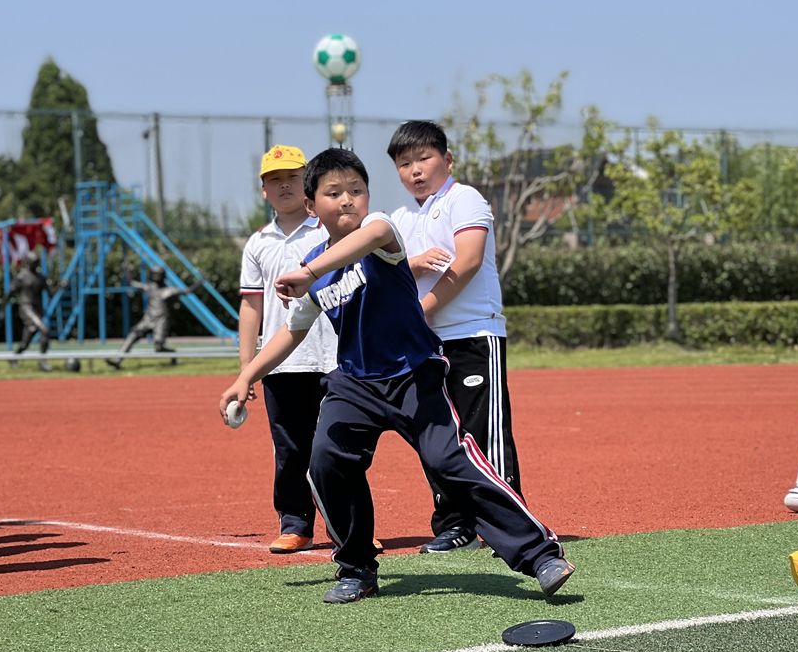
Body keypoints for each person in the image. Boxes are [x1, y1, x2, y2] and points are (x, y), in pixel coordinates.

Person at [219, 148, 574, 604]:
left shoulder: (380, 232)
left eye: (356, 190)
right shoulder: (317, 271)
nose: (347, 199)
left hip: (414, 375)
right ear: (311, 206)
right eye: (333, 193)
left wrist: (307, 272)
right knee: (325, 461)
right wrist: (245, 375)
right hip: (355, 384)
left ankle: (539, 554)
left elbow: (374, 235)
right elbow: (292, 332)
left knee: (452, 463)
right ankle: (356, 567)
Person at [388, 120, 526, 554]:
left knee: (484, 431)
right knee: (438, 436)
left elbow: (466, 263)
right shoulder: (398, 219)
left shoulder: (464, 199)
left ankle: (508, 524)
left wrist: (419, 312)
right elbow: (386, 279)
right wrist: (412, 273)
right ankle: (455, 524)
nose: (415, 170)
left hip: (472, 333)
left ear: (447, 160)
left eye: (424, 158)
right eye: (404, 163)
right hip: (425, 344)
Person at [239, 146, 337, 553]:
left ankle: (349, 526)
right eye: (274, 179)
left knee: (337, 446)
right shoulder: (257, 243)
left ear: (307, 184)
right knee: (290, 450)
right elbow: (251, 305)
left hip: (333, 358)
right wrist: (248, 368)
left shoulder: (331, 232)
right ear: (263, 189)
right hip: (282, 363)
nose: (283, 185)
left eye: (292, 178)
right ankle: (295, 523)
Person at [106, 267, 198, 368]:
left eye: (158, 275)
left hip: (161, 320)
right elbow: (132, 283)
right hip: (148, 318)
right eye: (154, 275)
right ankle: (117, 360)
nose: (156, 277)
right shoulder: (150, 287)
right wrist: (127, 271)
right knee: (132, 335)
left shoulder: (170, 291)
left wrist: (200, 282)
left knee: (159, 347)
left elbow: (187, 291)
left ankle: (173, 354)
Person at [4, 251, 55, 371]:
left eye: (37, 263)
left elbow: (51, 293)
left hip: (37, 309)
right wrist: (2, 309)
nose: (35, 265)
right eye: (33, 262)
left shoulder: (41, 277)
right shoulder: (22, 276)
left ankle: (14, 358)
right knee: (44, 330)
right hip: (26, 307)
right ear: (28, 263)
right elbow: (10, 293)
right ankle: (42, 362)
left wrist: (60, 286)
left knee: (26, 340)